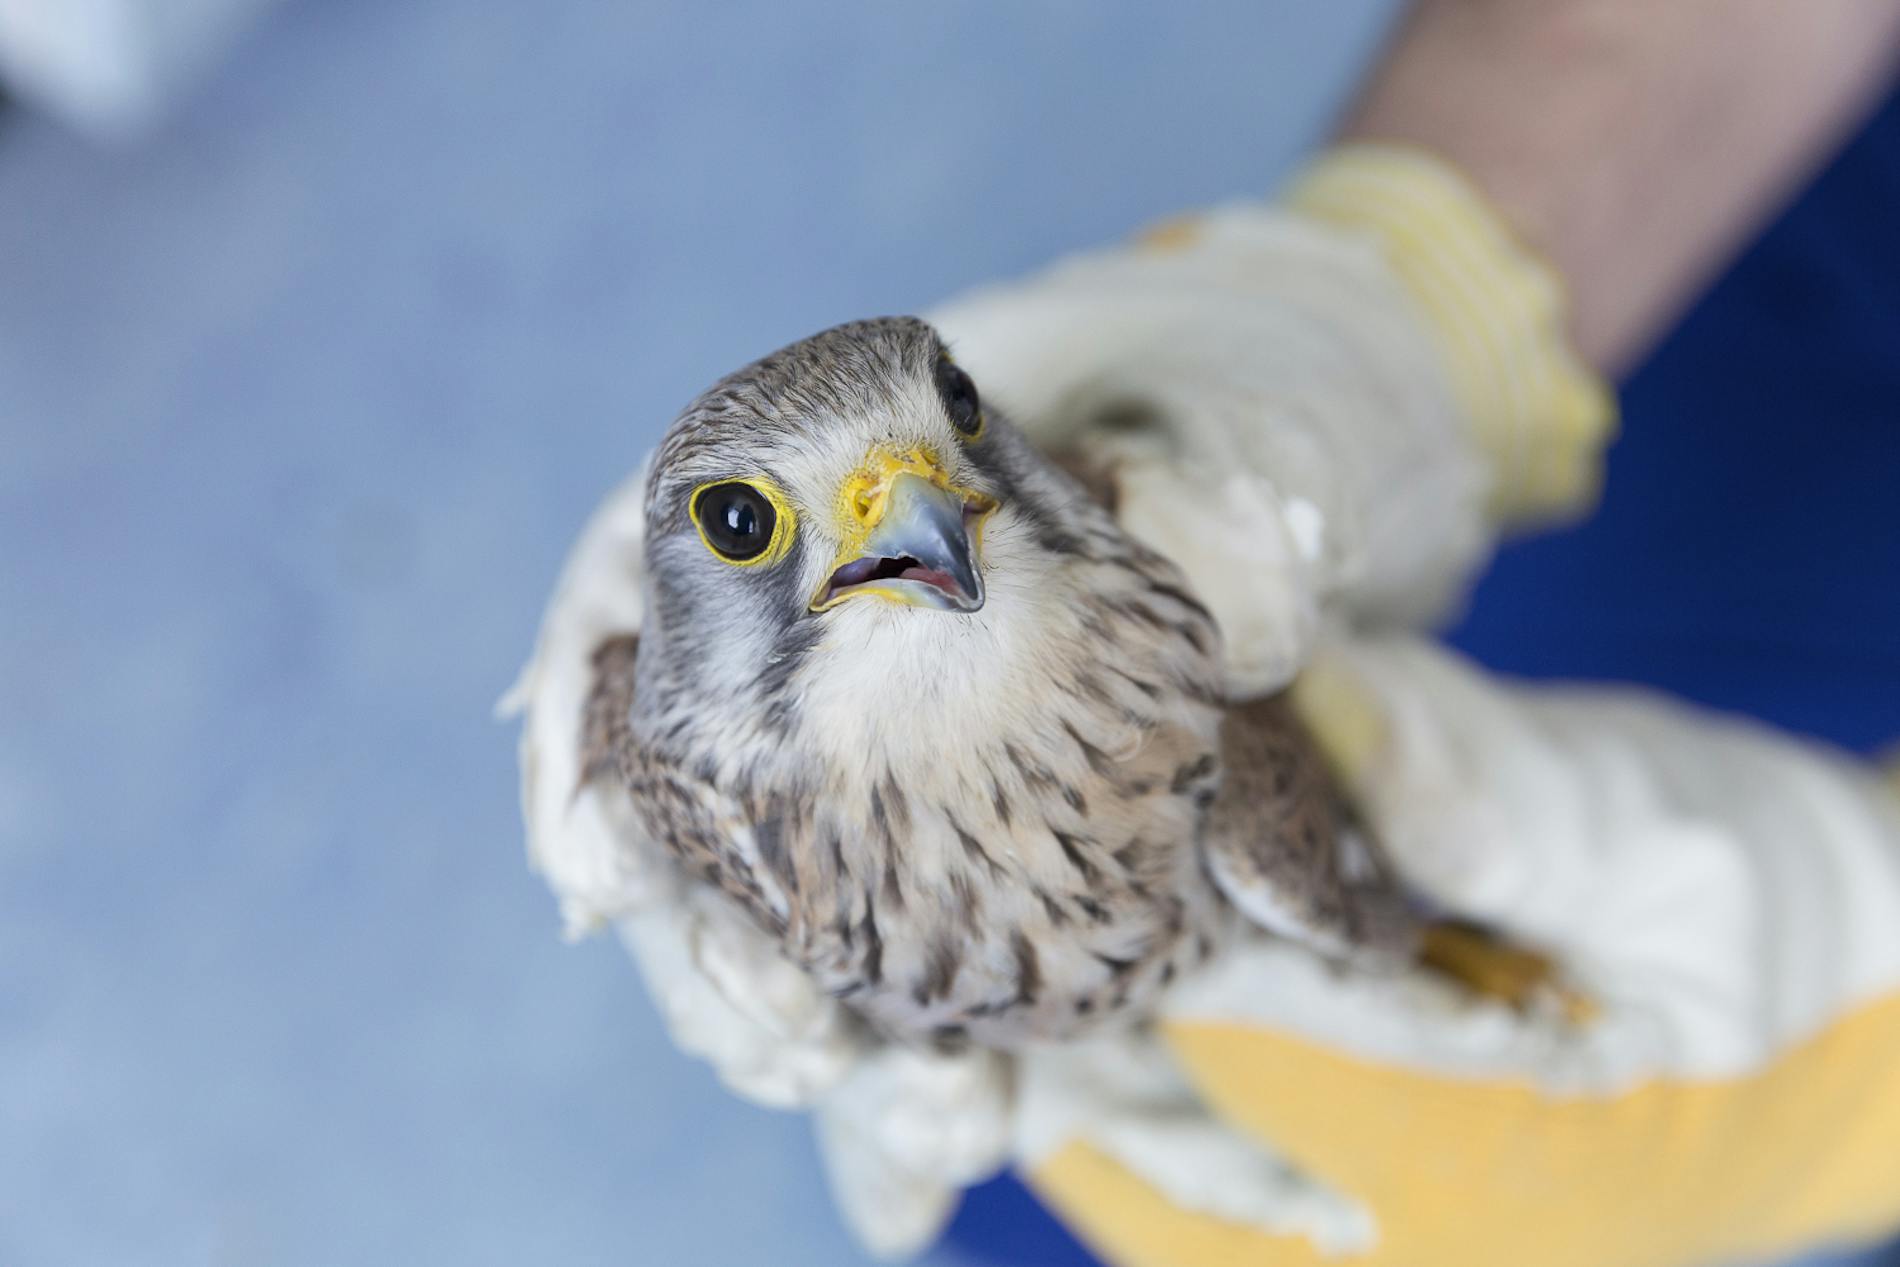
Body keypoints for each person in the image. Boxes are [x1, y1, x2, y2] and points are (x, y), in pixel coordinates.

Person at [514, 3, 1900, 1265]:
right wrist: (1395, 298)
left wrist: (1853, 1073)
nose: (913, 502)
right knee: (1036, 1204)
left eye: (945, 436)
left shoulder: (1214, 755)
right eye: (755, 527)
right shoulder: (691, 787)